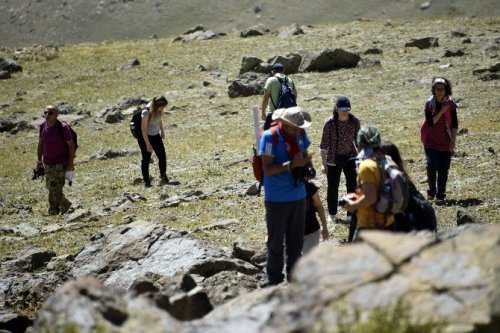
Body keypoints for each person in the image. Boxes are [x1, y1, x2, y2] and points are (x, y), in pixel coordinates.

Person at [259, 106, 312, 285]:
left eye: (300, 127)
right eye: (295, 127)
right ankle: (274, 279)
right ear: (284, 124)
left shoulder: (301, 135)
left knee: (296, 242)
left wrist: (306, 168)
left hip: (299, 195)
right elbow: (267, 168)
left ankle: (294, 277)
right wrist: (291, 166)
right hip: (277, 199)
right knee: (276, 242)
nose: (298, 130)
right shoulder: (269, 137)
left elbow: (305, 156)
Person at [342, 126, 396, 237]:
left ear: (359, 144)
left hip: (371, 226)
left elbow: (371, 197)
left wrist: (353, 205)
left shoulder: (367, 166)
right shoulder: (388, 160)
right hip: (389, 222)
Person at [319, 96, 360, 223]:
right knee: (332, 187)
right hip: (332, 159)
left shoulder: (354, 122)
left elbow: (358, 142)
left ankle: (351, 214)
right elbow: (324, 145)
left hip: (350, 157)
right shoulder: (329, 123)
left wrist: (361, 159)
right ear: (336, 109)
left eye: (347, 109)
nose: (344, 112)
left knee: (352, 186)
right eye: (342, 109)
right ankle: (332, 214)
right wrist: (323, 163)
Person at [420, 77, 458, 202]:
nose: (440, 91)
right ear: (434, 90)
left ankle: (441, 195)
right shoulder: (429, 104)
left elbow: (454, 124)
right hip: (430, 141)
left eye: (442, 89)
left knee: (443, 169)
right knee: (431, 166)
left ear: (446, 90)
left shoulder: (451, 104)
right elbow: (431, 123)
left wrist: (453, 140)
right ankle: (431, 192)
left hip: (445, 141)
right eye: (437, 89)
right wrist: (441, 110)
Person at [36, 105, 75, 215]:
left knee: (55, 188)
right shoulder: (43, 126)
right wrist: (39, 161)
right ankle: (54, 209)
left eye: (50, 113)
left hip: (61, 162)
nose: (47, 115)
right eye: (45, 112)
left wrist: (70, 163)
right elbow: (40, 144)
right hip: (47, 163)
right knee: (50, 187)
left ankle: (64, 205)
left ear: (57, 114)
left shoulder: (62, 127)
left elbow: (71, 145)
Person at [137, 96, 169, 188]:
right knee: (146, 159)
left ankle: (163, 177)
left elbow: (160, 120)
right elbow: (143, 130)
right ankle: (147, 182)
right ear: (156, 106)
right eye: (162, 107)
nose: (162, 109)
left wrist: (162, 131)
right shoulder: (146, 113)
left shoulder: (159, 110)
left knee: (162, 156)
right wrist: (148, 144)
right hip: (145, 137)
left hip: (155, 135)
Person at [260, 63, 297, 130]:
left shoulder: (271, 80)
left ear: (273, 71)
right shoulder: (290, 81)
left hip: (274, 114)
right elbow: (295, 96)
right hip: (288, 115)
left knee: (268, 136)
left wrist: (263, 112)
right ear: (283, 71)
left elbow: (265, 99)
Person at [303, 174, 329, 255]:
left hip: (311, 232)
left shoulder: (309, 187)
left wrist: (324, 228)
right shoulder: (283, 189)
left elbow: (319, 207)